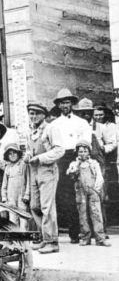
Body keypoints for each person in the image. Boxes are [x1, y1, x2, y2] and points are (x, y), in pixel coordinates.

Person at [50, 88, 92, 244]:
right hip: (61, 159)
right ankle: (74, 232)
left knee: (83, 194)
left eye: (67, 102)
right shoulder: (54, 124)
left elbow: (86, 143)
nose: (65, 105)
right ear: (59, 105)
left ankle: (89, 232)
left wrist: (79, 160)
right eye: (62, 103)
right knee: (66, 197)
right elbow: (50, 144)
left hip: (78, 157)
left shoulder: (81, 123)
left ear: (72, 104)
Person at [24, 101, 64, 254]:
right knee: (35, 205)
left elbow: (59, 150)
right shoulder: (30, 131)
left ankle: (52, 241)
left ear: (43, 115)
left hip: (47, 170)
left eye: (36, 113)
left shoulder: (51, 128)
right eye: (31, 113)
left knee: (47, 206)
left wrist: (40, 158)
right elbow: (29, 148)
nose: (33, 116)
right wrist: (28, 155)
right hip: (33, 171)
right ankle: (43, 237)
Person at [66, 140, 111, 247]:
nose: (83, 154)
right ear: (77, 153)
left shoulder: (94, 163)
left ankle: (100, 238)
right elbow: (70, 173)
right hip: (80, 193)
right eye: (80, 151)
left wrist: (96, 189)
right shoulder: (74, 164)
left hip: (93, 192)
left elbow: (99, 178)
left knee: (96, 214)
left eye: (85, 151)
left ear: (89, 152)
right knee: (83, 215)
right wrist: (76, 164)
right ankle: (86, 237)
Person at [92, 102, 116, 237]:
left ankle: (102, 230)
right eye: (96, 115)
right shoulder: (88, 125)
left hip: (102, 163)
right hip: (88, 164)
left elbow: (111, 143)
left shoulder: (108, 127)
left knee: (100, 197)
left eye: (101, 115)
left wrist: (102, 149)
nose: (98, 117)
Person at [1, 143, 29, 230]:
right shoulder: (7, 168)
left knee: (23, 216)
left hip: (21, 195)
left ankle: (24, 238)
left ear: (18, 153)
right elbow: (4, 184)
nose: (12, 155)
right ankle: (14, 239)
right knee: (13, 218)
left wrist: (27, 194)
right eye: (10, 153)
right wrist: (4, 197)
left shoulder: (23, 165)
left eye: (14, 153)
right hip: (11, 196)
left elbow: (28, 180)